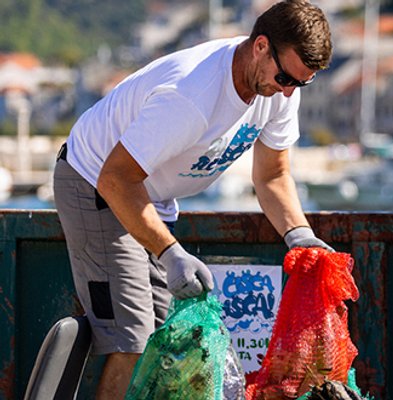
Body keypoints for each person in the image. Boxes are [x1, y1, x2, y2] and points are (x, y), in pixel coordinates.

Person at [52, 1, 332, 398]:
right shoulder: (191, 94)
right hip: (96, 182)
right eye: (285, 77)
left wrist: (299, 236)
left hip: (149, 195)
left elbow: (272, 175)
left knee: (168, 343)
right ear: (260, 46)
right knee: (134, 340)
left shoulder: (281, 92)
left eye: (300, 84)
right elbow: (116, 179)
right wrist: (170, 254)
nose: (287, 91)